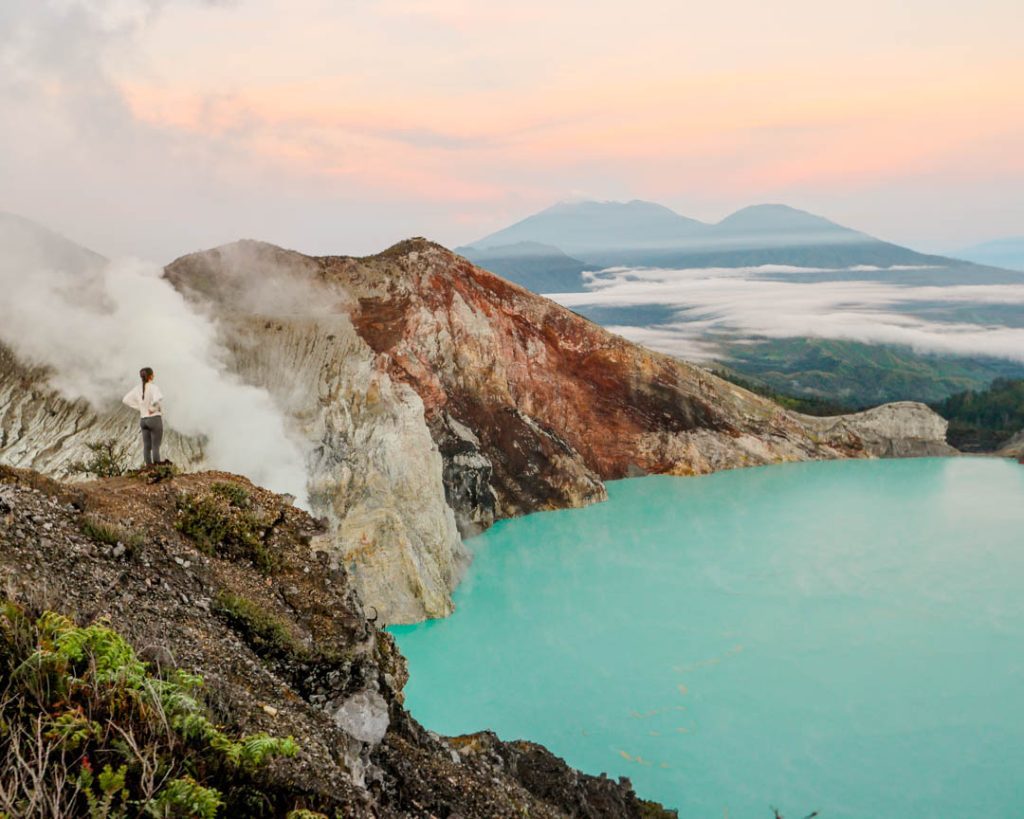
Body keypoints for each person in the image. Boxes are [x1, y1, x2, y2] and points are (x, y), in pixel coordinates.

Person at [123, 367, 164, 466]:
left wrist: (141, 408)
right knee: (156, 446)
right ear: (150, 376)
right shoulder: (154, 387)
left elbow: (125, 400)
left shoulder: (137, 388)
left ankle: (148, 468)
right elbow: (158, 398)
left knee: (146, 446)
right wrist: (152, 409)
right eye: (153, 374)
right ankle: (157, 468)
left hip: (143, 420)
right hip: (154, 419)